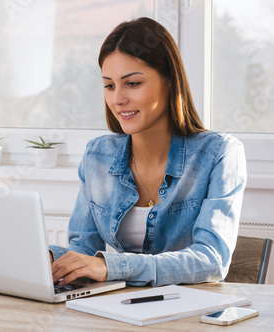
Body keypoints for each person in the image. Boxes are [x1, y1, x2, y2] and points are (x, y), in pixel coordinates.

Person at [49, 17, 247, 287]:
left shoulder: (219, 154)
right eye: (109, 85)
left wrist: (113, 266)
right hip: (119, 311)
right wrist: (46, 257)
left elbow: (211, 260)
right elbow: (84, 249)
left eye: (132, 83)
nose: (117, 99)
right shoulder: (97, 155)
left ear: (169, 81)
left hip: (190, 318)